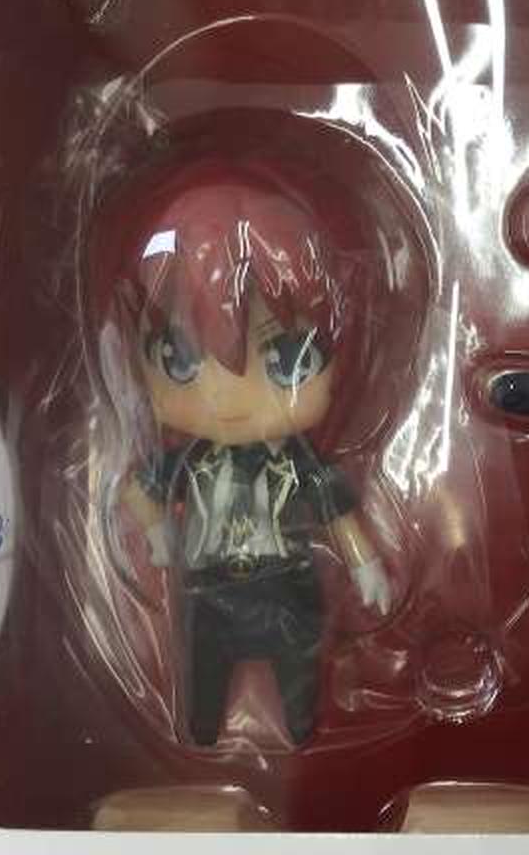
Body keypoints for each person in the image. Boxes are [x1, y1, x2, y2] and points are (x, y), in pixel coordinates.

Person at [94, 156, 391, 747]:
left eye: (287, 361)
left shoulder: (300, 463)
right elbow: (138, 491)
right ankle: (202, 732)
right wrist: (156, 532)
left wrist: (365, 564)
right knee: (202, 689)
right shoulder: (187, 461)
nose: (227, 394)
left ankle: (300, 725)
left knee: (299, 682)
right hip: (208, 592)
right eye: (179, 360)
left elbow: (338, 512)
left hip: (289, 587)